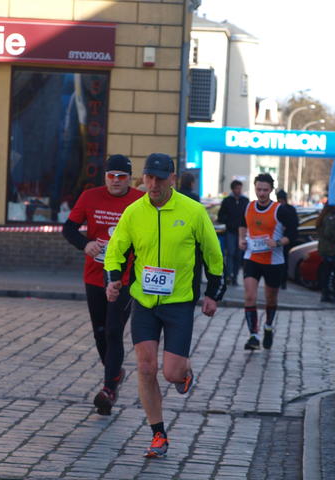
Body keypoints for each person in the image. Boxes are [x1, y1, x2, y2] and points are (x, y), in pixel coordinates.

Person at [104, 153, 225, 458]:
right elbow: (116, 249)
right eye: (149, 178)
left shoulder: (193, 211)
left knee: (171, 373)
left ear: (172, 179)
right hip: (144, 301)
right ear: (143, 178)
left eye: (160, 179)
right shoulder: (134, 212)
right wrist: (114, 278)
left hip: (179, 303)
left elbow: (213, 254)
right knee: (146, 367)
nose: (153, 184)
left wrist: (213, 293)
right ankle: (158, 434)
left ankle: (184, 373)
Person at [62, 154, 144, 415]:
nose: (116, 181)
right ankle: (115, 372)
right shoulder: (90, 197)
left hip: (125, 278)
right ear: (105, 177)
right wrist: (85, 244)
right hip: (95, 275)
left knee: (113, 331)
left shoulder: (140, 201)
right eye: (111, 176)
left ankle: (108, 389)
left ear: (129, 179)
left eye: (121, 176)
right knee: (99, 332)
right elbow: (69, 229)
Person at [238, 173, 298, 350]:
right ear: (254, 188)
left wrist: (278, 242)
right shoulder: (248, 207)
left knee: (271, 299)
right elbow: (242, 224)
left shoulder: (281, 210)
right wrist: (241, 239)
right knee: (250, 296)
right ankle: (253, 336)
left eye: (265, 190)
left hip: (274, 261)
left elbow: (293, 234)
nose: (261, 193)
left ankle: (268, 326)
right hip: (252, 258)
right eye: (258, 189)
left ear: (271, 190)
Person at [217, 180, 249, 286]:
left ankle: (235, 277)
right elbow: (221, 216)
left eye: (240, 188)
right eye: (237, 188)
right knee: (230, 254)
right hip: (230, 231)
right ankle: (228, 276)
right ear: (233, 189)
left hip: (241, 233)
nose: (239, 190)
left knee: (238, 256)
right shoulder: (227, 201)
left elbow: (248, 215)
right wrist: (229, 221)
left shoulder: (245, 201)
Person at [316, 205, 335, 303]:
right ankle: (334, 294)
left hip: (325, 249)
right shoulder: (329, 219)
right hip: (331, 250)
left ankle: (325, 294)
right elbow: (329, 233)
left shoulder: (322, 218)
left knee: (326, 273)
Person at [275, 189, 299, 289]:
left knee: (281, 260)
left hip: (282, 238)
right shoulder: (290, 209)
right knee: (283, 260)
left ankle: (281, 280)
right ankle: (282, 281)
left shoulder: (278, 209)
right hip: (286, 238)